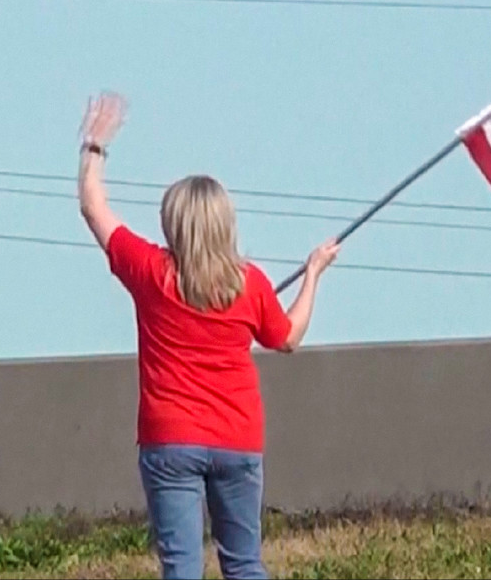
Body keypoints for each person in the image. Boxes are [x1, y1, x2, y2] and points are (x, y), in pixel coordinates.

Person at [76, 92, 341, 580]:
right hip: (237, 437)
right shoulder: (251, 284)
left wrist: (94, 145)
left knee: (181, 567)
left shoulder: (151, 272)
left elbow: (93, 208)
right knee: (243, 565)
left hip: (170, 436)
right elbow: (287, 337)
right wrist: (313, 275)